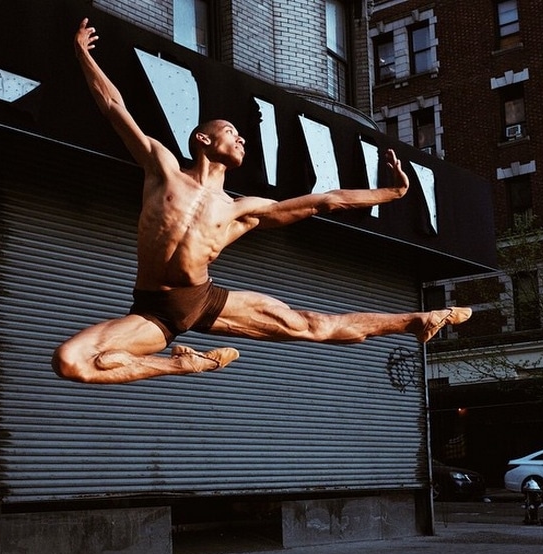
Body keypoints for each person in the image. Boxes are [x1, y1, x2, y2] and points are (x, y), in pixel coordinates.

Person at [52, 19, 472, 385]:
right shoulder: (162, 168)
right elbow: (113, 106)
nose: (241, 138)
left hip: (202, 300)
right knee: (70, 362)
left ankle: (416, 321)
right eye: (231, 131)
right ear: (202, 139)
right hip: (151, 311)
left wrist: (392, 193)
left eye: (241, 136)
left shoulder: (241, 209)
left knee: (313, 327)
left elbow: (324, 201)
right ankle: (183, 366)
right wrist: (82, 55)